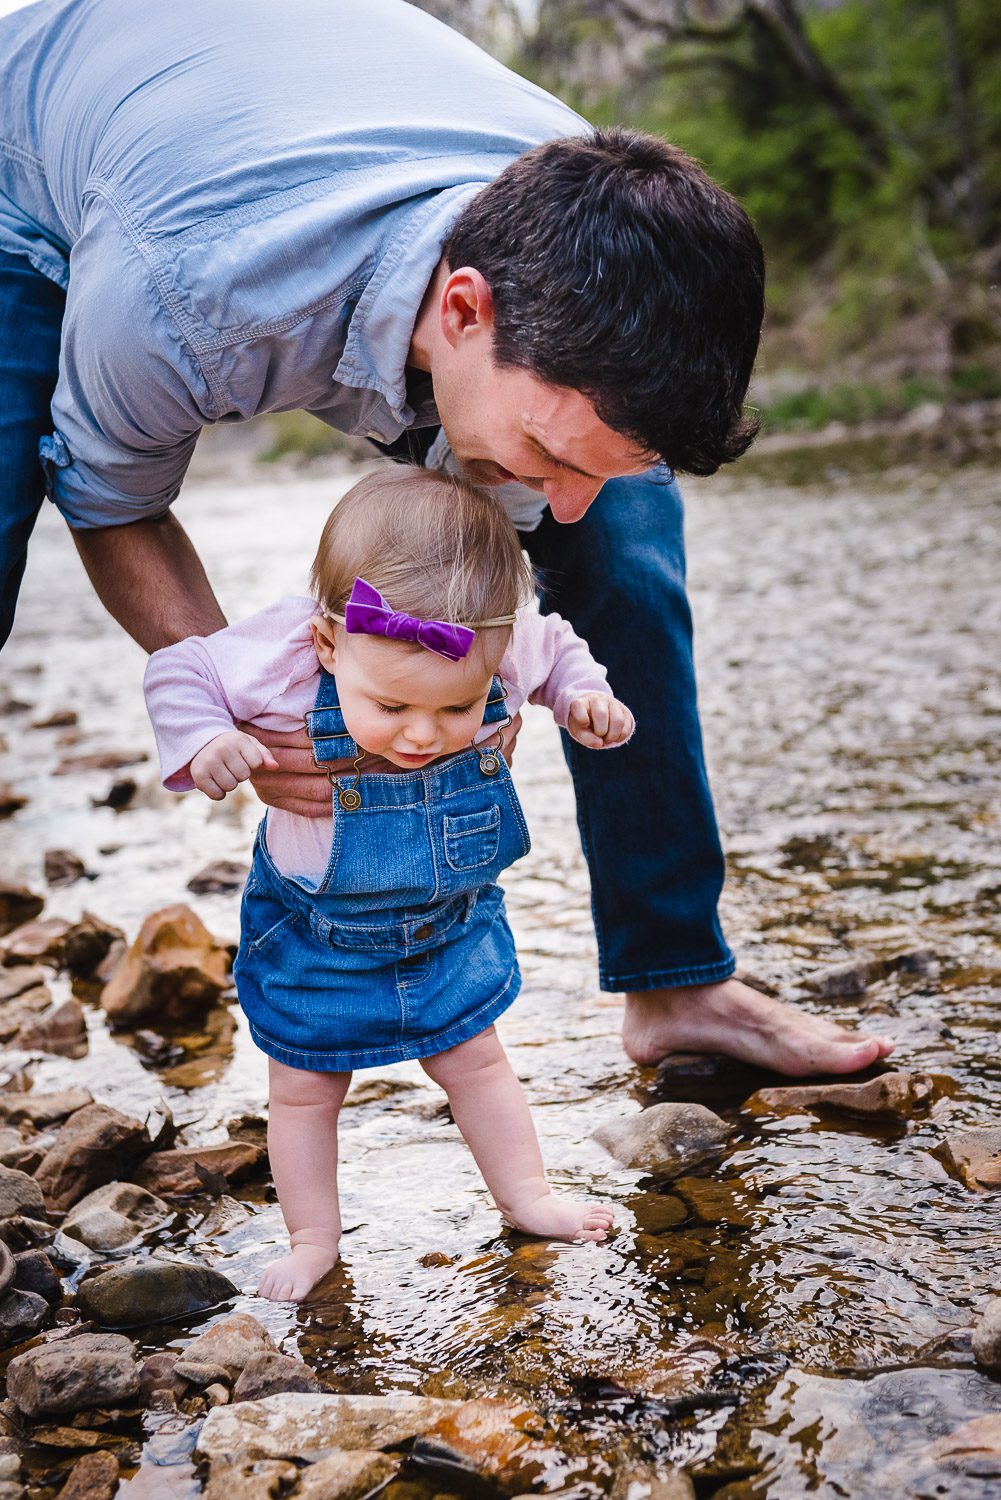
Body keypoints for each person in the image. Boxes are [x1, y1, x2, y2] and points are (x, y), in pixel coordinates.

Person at [0, 0, 893, 1075]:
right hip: (39, 159)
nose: (560, 502)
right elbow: (114, 504)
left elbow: (535, 522)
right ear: (462, 313)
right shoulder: (193, 297)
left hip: (288, 119)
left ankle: (678, 985)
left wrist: (480, 661)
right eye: (546, 455)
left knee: (620, 532)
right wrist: (273, 711)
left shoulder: (586, 217)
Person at [144, 470, 629, 1300]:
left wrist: (584, 695)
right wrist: (205, 739)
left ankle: (527, 1197)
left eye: (456, 710)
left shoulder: (498, 637)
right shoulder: (285, 653)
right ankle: (312, 1237)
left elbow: (560, 646)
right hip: (316, 936)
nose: (421, 735)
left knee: (478, 1061)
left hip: (448, 924)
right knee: (301, 1091)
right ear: (331, 645)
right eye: (394, 704)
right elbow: (177, 670)